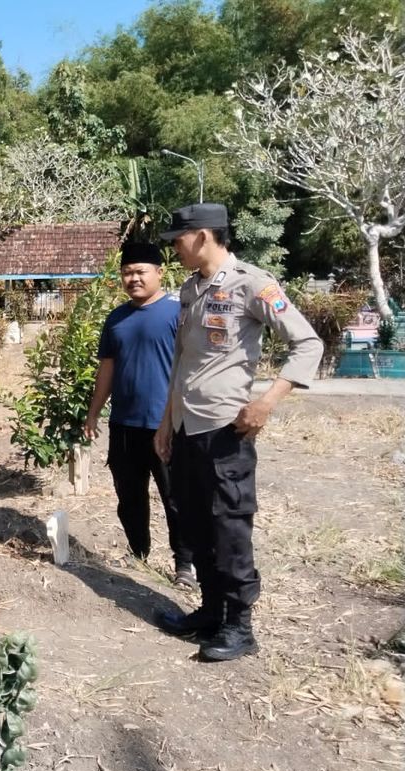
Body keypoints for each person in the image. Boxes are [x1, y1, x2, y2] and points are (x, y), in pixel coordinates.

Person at [153, 203, 322, 661]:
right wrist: (167, 423)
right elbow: (182, 365)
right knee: (194, 521)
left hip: (226, 428)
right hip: (188, 427)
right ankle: (210, 611)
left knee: (229, 525)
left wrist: (266, 402)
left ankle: (239, 625)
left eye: (179, 239)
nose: (175, 248)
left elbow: (307, 342)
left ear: (204, 236)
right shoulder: (190, 290)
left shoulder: (252, 283)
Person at [84, 242, 193, 588]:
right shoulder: (116, 318)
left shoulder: (179, 312)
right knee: (129, 496)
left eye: (141, 271)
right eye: (127, 272)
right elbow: (107, 371)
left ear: (159, 273)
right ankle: (138, 552)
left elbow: (192, 368)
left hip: (166, 425)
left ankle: (185, 565)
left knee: (176, 498)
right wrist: (93, 414)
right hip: (124, 425)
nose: (133, 278)